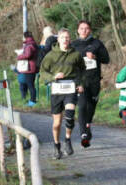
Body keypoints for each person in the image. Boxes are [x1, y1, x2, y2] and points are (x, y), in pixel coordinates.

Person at [40, 28, 85, 159]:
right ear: (58, 39)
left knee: (70, 115)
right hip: (57, 90)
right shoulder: (50, 56)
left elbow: (82, 70)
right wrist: (53, 77)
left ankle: (67, 140)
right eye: (63, 37)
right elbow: (42, 72)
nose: (65, 40)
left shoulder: (75, 54)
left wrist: (80, 84)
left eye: (67, 37)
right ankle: (56, 145)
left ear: (69, 39)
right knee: (57, 123)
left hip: (70, 88)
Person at [71, 20, 110, 148]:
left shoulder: (96, 43)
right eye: (81, 28)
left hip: (94, 81)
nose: (84, 31)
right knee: (82, 106)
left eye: (87, 28)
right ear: (78, 30)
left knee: (91, 107)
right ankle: (83, 134)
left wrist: (95, 57)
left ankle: (88, 124)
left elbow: (106, 59)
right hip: (80, 80)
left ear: (90, 30)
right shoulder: (74, 45)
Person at [17, 31, 38, 107]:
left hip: (30, 68)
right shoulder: (32, 43)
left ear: (25, 37)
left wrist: (19, 57)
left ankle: (33, 101)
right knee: (30, 85)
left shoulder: (29, 45)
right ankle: (32, 100)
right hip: (31, 67)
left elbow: (27, 55)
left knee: (30, 85)